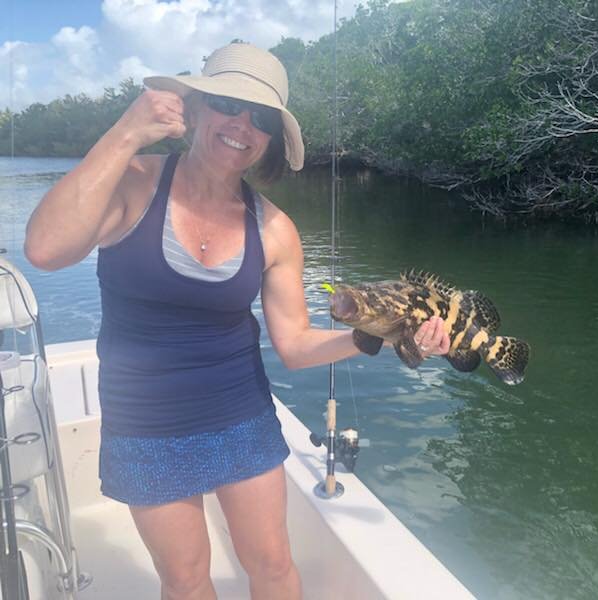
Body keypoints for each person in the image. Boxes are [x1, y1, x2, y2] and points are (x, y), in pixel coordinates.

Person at [24, 42, 450, 600]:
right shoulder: (132, 181)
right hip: (145, 425)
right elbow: (45, 250)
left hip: (241, 415)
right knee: (186, 579)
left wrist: (377, 333)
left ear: (271, 138)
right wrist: (125, 131)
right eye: (228, 104)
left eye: (262, 118)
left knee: (273, 566)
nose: (243, 125)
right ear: (194, 109)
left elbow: (294, 345)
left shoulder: (275, 230)